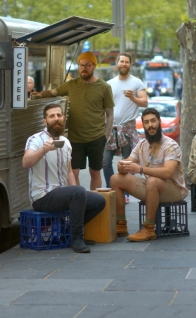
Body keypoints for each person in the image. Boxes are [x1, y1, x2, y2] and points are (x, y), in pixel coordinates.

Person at [22, 103, 106, 253]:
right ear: (45, 121)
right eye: (51, 116)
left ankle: (67, 232)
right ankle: (77, 238)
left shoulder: (66, 142)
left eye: (59, 115)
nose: (56, 119)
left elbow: (69, 172)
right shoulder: (36, 140)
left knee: (99, 201)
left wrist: (74, 190)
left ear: (64, 118)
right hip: (43, 196)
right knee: (78, 192)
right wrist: (44, 150)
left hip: (62, 194)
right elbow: (26, 162)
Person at [31, 51, 114, 191]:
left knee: (95, 172)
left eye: (88, 65)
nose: (84, 68)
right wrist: (39, 95)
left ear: (94, 66)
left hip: (96, 137)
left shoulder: (104, 87)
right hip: (75, 138)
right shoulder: (71, 84)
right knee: (73, 172)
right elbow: (54, 92)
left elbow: (110, 113)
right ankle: (80, 200)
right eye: (81, 65)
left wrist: (106, 135)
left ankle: (94, 203)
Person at [110, 107, 189, 242]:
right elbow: (129, 162)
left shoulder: (171, 145)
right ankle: (121, 225)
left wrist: (140, 169)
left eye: (153, 121)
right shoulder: (142, 145)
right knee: (115, 179)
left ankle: (149, 229)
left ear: (159, 122)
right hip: (152, 187)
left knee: (152, 181)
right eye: (146, 122)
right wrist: (122, 166)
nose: (150, 125)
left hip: (174, 189)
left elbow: (167, 172)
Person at [103, 52, 148, 187]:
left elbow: (145, 102)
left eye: (126, 62)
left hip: (127, 128)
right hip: (110, 128)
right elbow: (105, 108)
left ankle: (126, 189)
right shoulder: (109, 84)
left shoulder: (136, 82)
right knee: (105, 162)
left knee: (127, 162)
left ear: (130, 64)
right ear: (117, 63)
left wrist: (133, 98)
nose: (123, 64)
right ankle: (111, 187)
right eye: (121, 61)